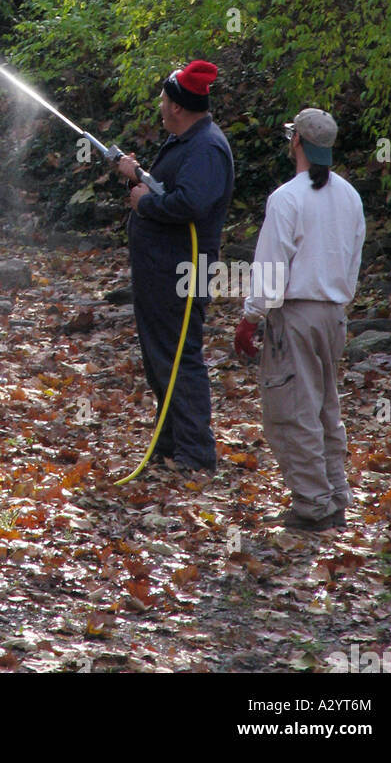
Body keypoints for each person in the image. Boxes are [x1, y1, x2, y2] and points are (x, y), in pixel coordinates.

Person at [235, 108, 365, 531]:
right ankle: (334, 496)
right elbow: (353, 261)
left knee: (292, 410)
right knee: (326, 406)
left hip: (296, 316)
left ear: (296, 143)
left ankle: (313, 506)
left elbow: (272, 268)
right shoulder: (350, 196)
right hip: (335, 316)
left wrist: (251, 317)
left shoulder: (287, 197)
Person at [116, 60, 234, 473]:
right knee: (159, 358)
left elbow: (190, 203)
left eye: (165, 100)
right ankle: (170, 445)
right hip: (162, 271)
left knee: (180, 358)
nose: (161, 107)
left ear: (179, 107)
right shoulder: (187, 141)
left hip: (182, 272)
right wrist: (136, 179)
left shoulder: (207, 148)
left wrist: (145, 202)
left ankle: (196, 456)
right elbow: (171, 190)